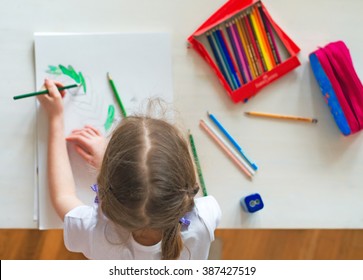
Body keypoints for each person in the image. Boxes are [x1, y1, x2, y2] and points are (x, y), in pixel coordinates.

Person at [37, 78, 221, 260]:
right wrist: (110, 166)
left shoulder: (95, 230)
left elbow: (63, 196)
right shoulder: (204, 219)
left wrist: (55, 117)